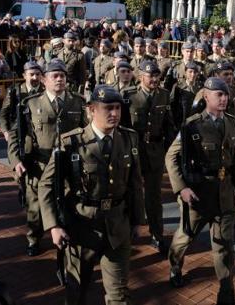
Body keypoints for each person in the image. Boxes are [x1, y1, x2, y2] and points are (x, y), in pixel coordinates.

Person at [38, 85, 145, 305]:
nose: (114, 113)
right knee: (77, 291)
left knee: (119, 294)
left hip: (117, 226)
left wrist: (137, 220)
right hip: (82, 227)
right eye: (108, 108)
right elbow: (46, 185)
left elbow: (135, 183)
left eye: (117, 108)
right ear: (91, 110)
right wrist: (54, 225)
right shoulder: (71, 143)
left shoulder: (129, 139)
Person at [166, 77, 235, 304]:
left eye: (226, 94)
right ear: (206, 96)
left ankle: (226, 293)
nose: (224, 98)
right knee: (185, 237)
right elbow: (171, 157)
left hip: (224, 193)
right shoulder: (192, 125)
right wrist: (181, 188)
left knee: (224, 247)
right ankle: (175, 266)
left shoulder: (231, 123)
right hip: (199, 194)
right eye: (218, 94)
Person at [7, 59, 87, 257]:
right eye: (55, 76)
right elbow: (17, 136)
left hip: (69, 164)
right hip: (40, 164)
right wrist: (16, 161)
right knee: (35, 208)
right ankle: (33, 238)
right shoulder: (31, 104)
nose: (59, 79)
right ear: (44, 80)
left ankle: (68, 235)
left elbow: (86, 132)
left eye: (62, 76)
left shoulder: (78, 102)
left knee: (69, 203)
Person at [125, 61, 176, 254]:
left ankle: (157, 234)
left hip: (155, 151)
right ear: (140, 77)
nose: (154, 79)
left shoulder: (164, 95)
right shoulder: (129, 96)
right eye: (150, 76)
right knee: (132, 192)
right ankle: (131, 232)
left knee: (154, 196)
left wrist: (170, 150)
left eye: (157, 76)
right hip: (134, 151)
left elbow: (169, 126)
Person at [0, 61, 44, 143]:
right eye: (32, 74)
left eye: (38, 74)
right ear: (24, 76)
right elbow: (4, 113)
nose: (35, 77)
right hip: (19, 132)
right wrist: (6, 131)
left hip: (42, 133)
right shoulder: (16, 91)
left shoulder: (46, 91)